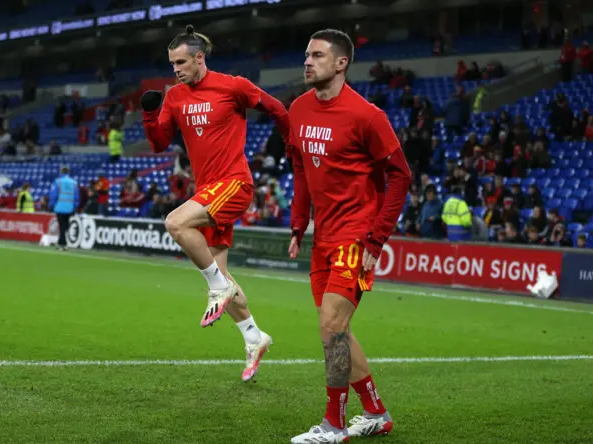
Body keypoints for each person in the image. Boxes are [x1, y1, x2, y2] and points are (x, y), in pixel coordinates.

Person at [141, 25, 290, 382]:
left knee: (176, 223)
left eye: (181, 62)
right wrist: (149, 115)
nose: (176, 69)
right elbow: (160, 143)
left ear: (199, 58)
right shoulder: (175, 97)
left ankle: (217, 286)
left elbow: (276, 109)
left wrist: (292, 145)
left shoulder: (233, 86)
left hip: (234, 184)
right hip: (209, 191)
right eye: (172, 63)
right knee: (221, 275)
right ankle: (255, 337)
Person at [286, 29, 410, 443]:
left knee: (332, 325)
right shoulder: (299, 109)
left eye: (317, 55)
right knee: (334, 330)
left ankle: (334, 424)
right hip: (323, 237)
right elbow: (301, 168)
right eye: (306, 54)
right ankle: (376, 412)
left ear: (341, 63)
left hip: (355, 237)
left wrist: (376, 241)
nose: (307, 61)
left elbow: (400, 176)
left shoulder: (366, 115)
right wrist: (298, 222)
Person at [49, 166, 80, 251]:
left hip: (60, 207)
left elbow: (53, 195)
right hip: (69, 208)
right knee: (65, 226)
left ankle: (63, 244)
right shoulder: (74, 183)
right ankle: (60, 243)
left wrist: (51, 205)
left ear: (61, 172)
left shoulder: (57, 182)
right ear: (68, 172)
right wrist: (75, 207)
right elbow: (76, 197)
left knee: (62, 226)